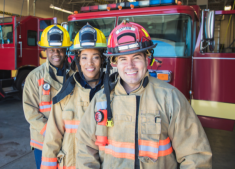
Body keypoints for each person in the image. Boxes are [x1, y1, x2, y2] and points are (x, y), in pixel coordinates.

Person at [76, 21, 212, 169]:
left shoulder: (170, 98)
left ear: (147, 59)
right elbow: (85, 152)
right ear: (114, 63)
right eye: (123, 59)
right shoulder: (100, 100)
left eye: (136, 57)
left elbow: (195, 156)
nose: (130, 66)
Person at [40, 24, 107, 169]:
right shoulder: (65, 95)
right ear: (77, 61)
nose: (89, 63)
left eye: (95, 57)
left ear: (102, 59)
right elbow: (52, 140)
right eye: (84, 57)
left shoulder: (113, 94)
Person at [23, 24, 73, 169]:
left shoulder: (74, 75)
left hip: (69, 140)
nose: (56, 53)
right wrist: (51, 132)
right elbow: (30, 111)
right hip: (43, 141)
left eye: (60, 49)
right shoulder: (34, 77)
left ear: (66, 50)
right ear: (45, 51)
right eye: (51, 50)